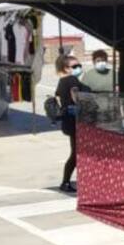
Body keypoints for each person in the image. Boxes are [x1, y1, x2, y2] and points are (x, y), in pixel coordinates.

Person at [54, 55, 91, 193]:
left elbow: (58, 96)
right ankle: (65, 182)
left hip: (68, 121)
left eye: (79, 65)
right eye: (74, 66)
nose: (78, 68)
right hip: (75, 121)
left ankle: (67, 181)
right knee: (76, 153)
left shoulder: (62, 81)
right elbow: (76, 98)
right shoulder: (71, 80)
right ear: (66, 68)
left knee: (76, 152)